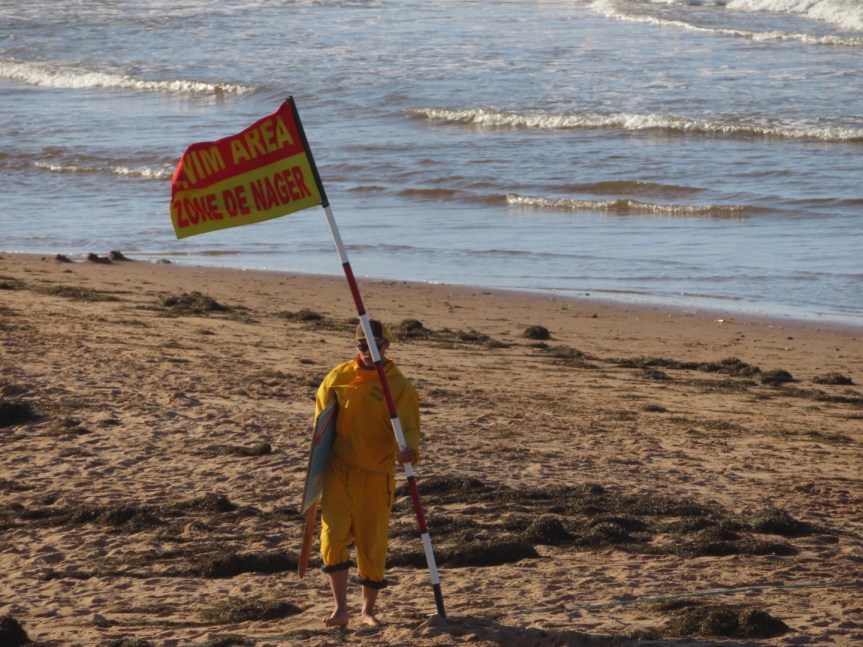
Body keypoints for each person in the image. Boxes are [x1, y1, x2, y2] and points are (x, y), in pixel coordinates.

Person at [314, 319, 420, 628]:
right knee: (332, 538)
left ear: (387, 346)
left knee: (371, 545)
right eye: (364, 345)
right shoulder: (338, 377)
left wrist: (408, 452)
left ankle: (367, 611)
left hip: (376, 476)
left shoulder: (399, 387)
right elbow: (321, 426)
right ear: (357, 346)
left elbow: (409, 431)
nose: (370, 351)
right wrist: (316, 466)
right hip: (338, 471)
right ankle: (340, 609)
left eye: (377, 345)